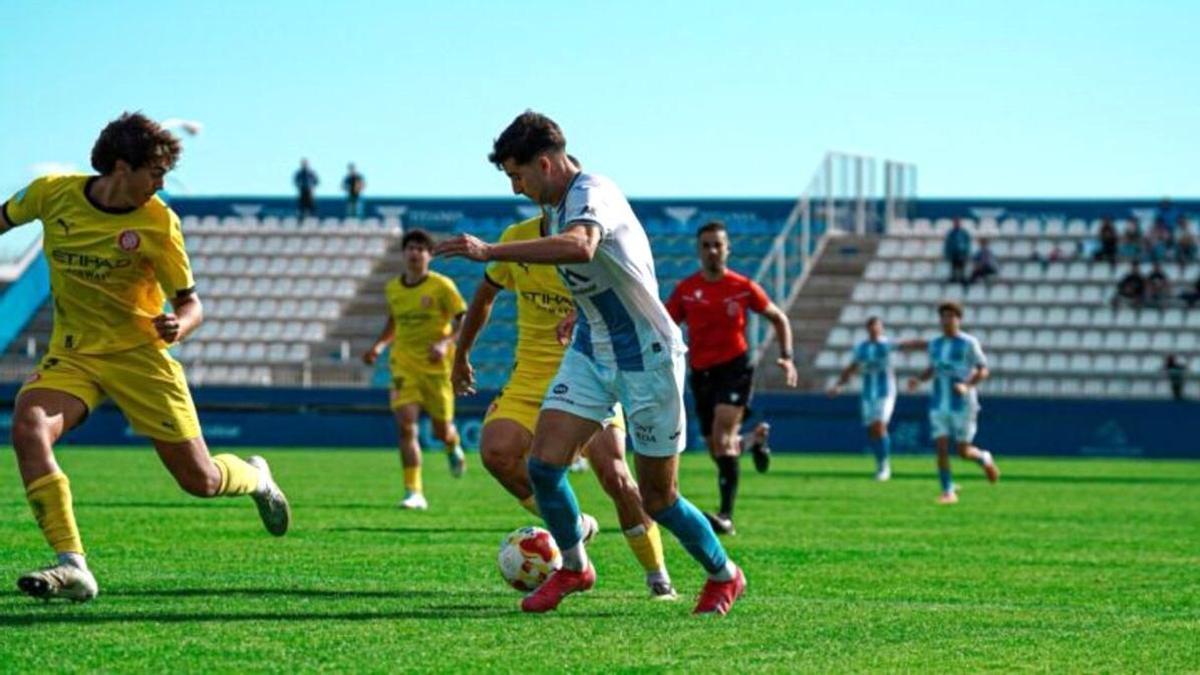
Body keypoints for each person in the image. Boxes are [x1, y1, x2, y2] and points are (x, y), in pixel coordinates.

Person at [435, 111, 744, 616]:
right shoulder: (555, 208)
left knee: (659, 498)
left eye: (517, 175)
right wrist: (581, 313)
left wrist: (491, 250)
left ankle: (724, 574)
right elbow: (611, 270)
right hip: (591, 350)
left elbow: (583, 247)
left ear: (544, 163)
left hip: (646, 358)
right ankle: (576, 567)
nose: (515, 188)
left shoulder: (591, 192)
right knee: (544, 466)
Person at [1, 112, 291, 603]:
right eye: (154, 173)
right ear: (121, 167)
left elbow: (191, 304)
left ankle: (257, 477)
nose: (160, 185)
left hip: (141, 359)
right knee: (29, 428)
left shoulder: (159, 222)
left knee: (200, 480)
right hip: (74, 356)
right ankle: (73, 565)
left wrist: (181, 324)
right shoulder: (51, 194)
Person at [453, 208, 678, 600]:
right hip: (531, 375)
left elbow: (634, 293)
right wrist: (461, 354)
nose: (520, 188)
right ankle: (575, 530)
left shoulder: (596, 243)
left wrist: (582, 313)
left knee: (615, 474)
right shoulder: (516, 238)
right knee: (497, 453)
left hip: (591, 373)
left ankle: (657, 574)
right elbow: (486, 294)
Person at [664, 220, 797, 536]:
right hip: (701, 373)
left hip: (735, 369)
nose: (712, 250)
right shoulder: (686, 290)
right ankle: (753, 441)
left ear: (727, 249)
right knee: (716, 447)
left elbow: (778, 318)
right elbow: (664, 326)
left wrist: (787, 357)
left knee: (722, 438)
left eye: (718, 245)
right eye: (706, 245)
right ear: (698, 250)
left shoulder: (743, 286)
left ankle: (726, 516)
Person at [363, 229, 468, 510]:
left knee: (440, 431)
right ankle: (414, 492)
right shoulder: (393, 288)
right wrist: (379, 346)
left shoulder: (442, 286)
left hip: (437, 369)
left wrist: (445, 343)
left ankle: (452, 445)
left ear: (430, 255)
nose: (414, 253)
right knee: (406, 426)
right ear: (403, 253)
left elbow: (464, 320)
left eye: (421, 249)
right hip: (404, 366)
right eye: (410, 248)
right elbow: (394, 322)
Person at [906, 303, 1000, 505]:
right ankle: (948, 490)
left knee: (963, 451)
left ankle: (983, 458)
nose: (947, 320)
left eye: (951, 316)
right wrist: (919, 380)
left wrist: (967, 386)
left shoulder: (969, 343)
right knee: (940, 446)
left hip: (963, 403)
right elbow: (934, 368)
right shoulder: (935, 344)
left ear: (959, 319)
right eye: (944, 316)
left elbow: (983, 370)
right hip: (938, 402)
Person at [827, 317, 925, 481]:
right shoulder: (861, 348)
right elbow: (852, 367)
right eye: (871, 326)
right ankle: (880, 462)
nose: (874, 329)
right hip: (868, 393)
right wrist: (839, 385)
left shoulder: (887, 344)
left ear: (881, 328)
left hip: (885, 392)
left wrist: (929, 344)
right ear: (867, 329)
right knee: (872, 429)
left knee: (879, 425)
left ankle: (885, 466)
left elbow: (908, 344)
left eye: (877, 326)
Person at [943, 218, 971, 284]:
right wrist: (947, 253)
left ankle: (962, 278)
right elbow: (948, 243)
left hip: (962, 252)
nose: (956, 224)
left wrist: (966, 252)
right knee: (954, 265)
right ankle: (954, 277)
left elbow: (967, 243)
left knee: (962, 265)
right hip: (953, 253)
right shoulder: (951, 233)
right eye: (955, 223)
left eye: (958, 222)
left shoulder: (964, 233)